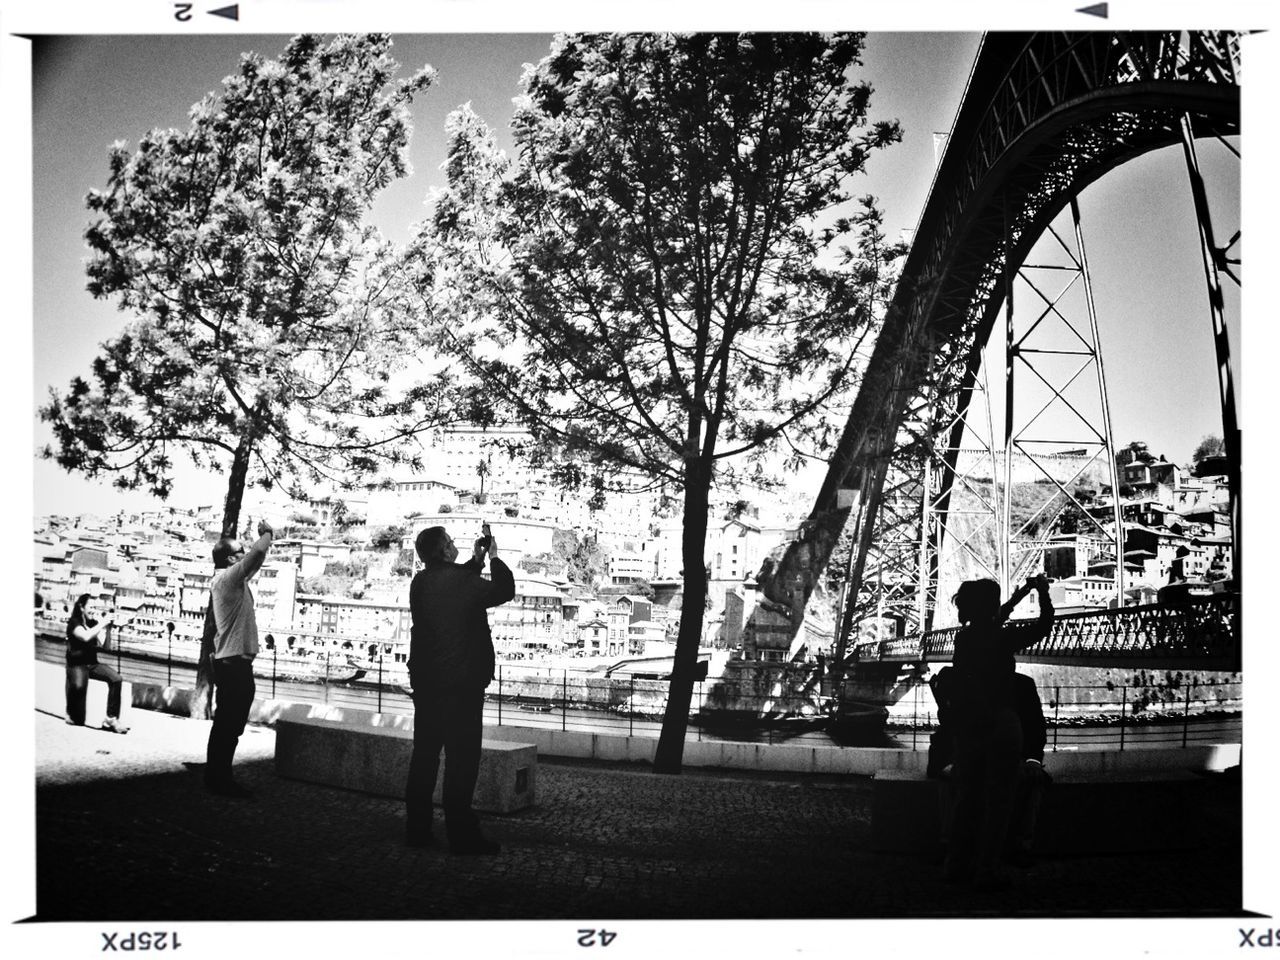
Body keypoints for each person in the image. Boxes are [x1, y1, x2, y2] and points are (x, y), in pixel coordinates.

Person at [405, 524, 514, 854]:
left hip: (426, 686)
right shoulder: (465, 583)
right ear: (443, 551)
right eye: (450, 542)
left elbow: (452, 583)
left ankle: (418, 830)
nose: (454, 545)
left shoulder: (420, 582)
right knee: (461, 762)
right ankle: (462, 835)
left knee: (424, 758)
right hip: (462, 687)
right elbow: (503, 590)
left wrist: (475, 560)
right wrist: (493, 556)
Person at [943, 574, 1054, 890]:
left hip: (969, 724)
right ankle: (987, 869)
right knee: (999, 802)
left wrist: (1017, 598)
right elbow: (1044, 625)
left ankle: (956, 864)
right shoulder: (1002, 638)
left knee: (968, 797)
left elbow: (993, 619)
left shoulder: (964, 639)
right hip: (1001, 723)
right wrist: (1041, 593)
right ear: (991, 606)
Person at [204, 519, 274, 799]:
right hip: (233, 664)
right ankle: (219, 779)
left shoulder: (229, 581)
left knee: (228, 724)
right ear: (231, 558)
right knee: (228, 725)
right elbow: (255, 557)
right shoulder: (228, 578)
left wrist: (263, 544)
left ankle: (217, 775)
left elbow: (253, 561)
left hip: (233, 662)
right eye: (239, 551)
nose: (244, 554)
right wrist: (267, 535)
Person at [64, 593, 129, 733]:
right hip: (76, 664)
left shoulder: (93, 623)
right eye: (90, 607)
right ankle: (70, 712)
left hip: (92, 664)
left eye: (95, 607)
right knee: (78, 718)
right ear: (82, 607)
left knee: (116, 679)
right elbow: (86, 636)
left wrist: (108, 629)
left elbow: (106, 647)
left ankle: (110, 719)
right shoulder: (74, 622)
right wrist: (102, 623)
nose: (93, 610)